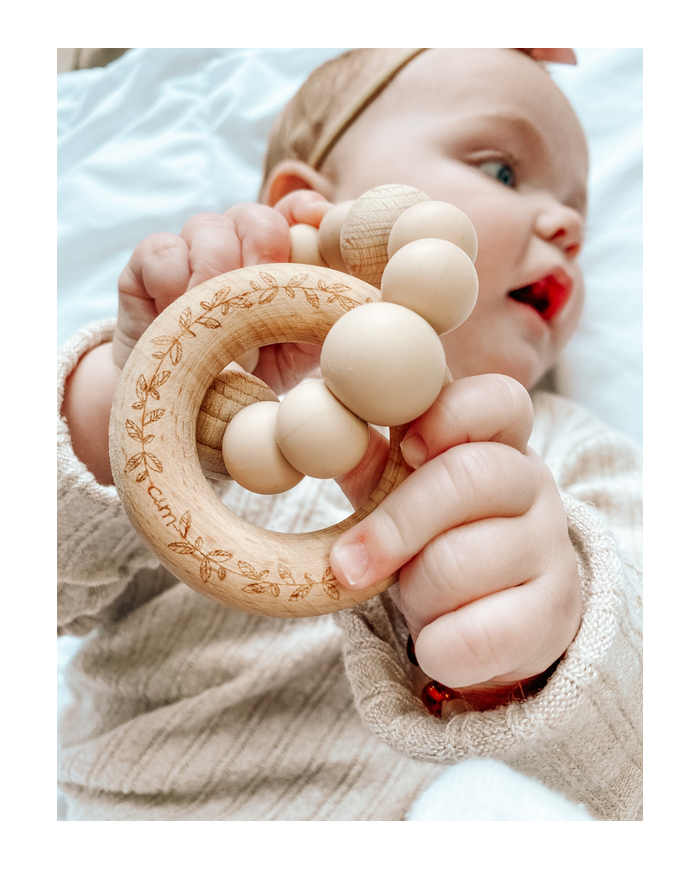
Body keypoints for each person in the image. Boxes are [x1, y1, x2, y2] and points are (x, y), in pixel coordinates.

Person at [57, 48, 642, 821]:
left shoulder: (575, 460)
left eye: (581, 212)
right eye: (502, 170)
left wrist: (540, 656)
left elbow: (645, 750)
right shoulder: (208, 395)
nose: (567, 226)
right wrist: (113, 416)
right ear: (310, 207)